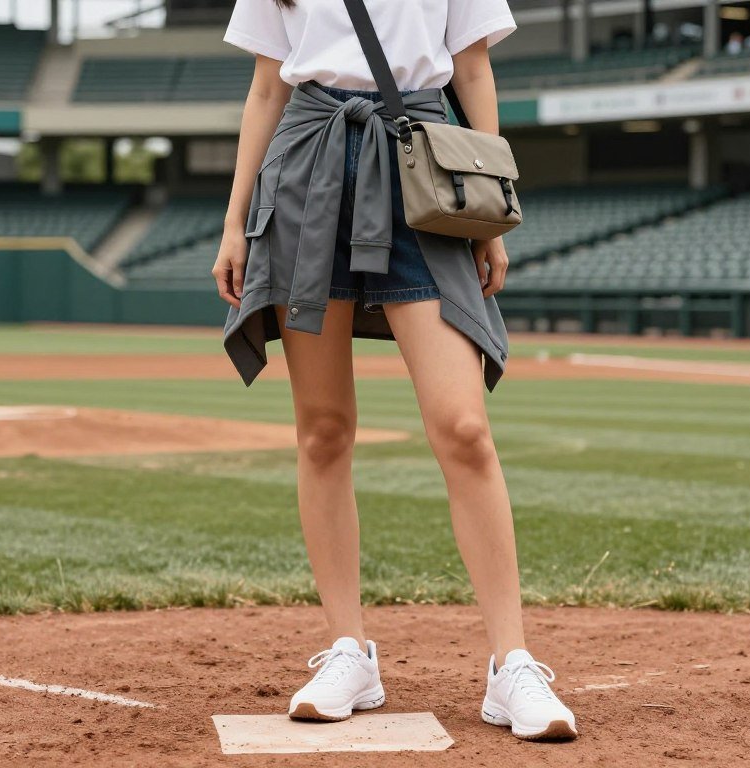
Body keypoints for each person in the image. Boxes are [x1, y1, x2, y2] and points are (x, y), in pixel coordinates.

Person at [213, 0, 578, 744]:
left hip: (422, 162)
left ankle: (512, 664)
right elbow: (265, 87)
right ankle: (350, 651)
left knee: (464, 427)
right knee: (323, 431)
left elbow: (472, 67)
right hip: (308, 163)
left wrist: (494, 205)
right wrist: (233, 220)